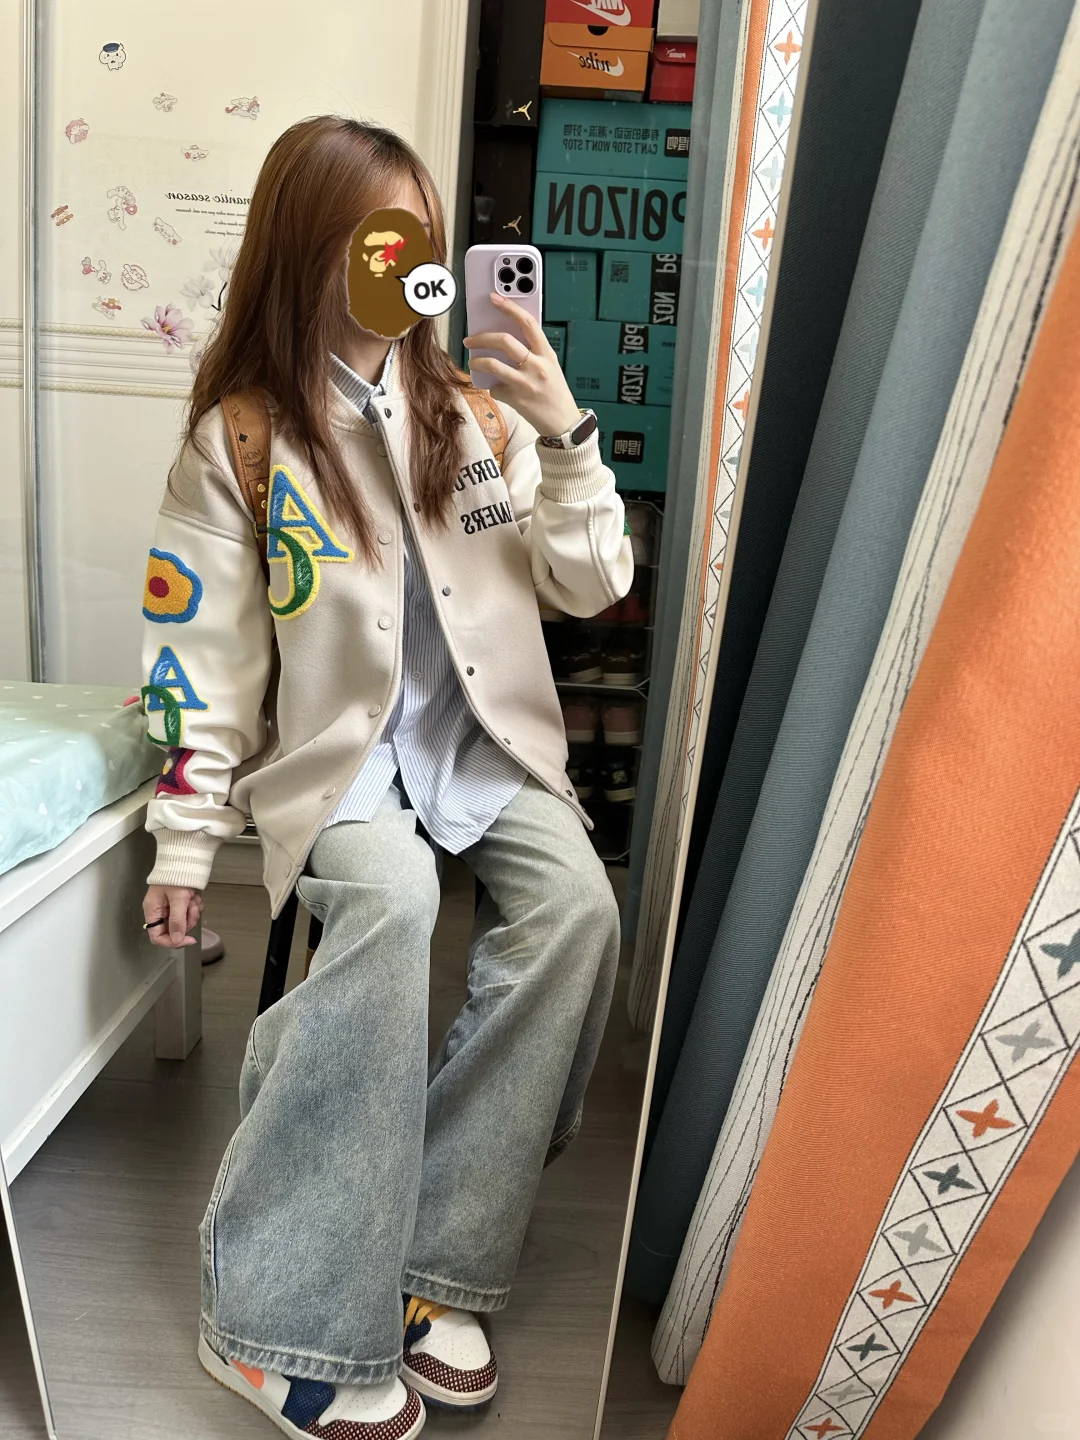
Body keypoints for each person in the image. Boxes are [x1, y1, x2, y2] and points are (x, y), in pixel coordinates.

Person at [140, 116, 632, 1439]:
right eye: (379, 236)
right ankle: (273, 1318)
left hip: (482, 746)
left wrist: (567, 436)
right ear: (314, 249)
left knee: (579, 908)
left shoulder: (477, 415)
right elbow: (198, 662)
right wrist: (186, 843)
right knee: (394, 902)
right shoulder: (242, 443)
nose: (406, 263)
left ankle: (438, 1260)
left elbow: (589, 586)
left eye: (418, 236)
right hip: (344, 769)